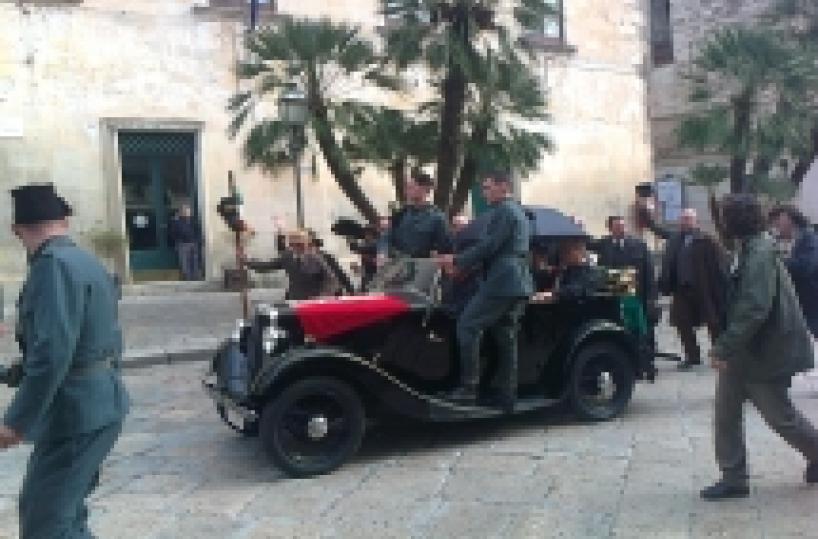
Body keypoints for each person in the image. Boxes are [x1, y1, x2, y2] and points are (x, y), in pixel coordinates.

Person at [0, 183, 130, 537]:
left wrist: (16, 422)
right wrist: (10, 373)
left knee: (47, 524)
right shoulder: (86, 261)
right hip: (97, 406)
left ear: (17, 231)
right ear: (65, 221)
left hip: (76, 414)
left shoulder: (52, 267)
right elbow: (91, 341)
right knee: (63, 516)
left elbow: (53, 354)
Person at [701, 194, 818, 500]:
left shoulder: (760, 252)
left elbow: (755, 307)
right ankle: (734, 478)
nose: (722, 222)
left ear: (736, 220)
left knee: (780, 417)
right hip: (746, 351)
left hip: (766, 351)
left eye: (725, 216)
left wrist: (722, 347)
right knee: (725, 414)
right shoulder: (748, 247)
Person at [438, 171, 533, 411]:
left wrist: (457, 260)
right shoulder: (517, 211)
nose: (484, 193)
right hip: (518, 281)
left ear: (503, 186)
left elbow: (489, 246)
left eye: (488, 187)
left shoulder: (504, 211)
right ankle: (506, 394)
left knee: (467, 325)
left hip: (502, 281)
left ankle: (468, 389)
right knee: (505, 336)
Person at [649, 208, 729, 370]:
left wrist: (720, 287)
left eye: (688, 219)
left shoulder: (707, 240)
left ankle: (719, 355)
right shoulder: (675, 239)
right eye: (683, 219)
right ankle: (692, 356)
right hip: (681, 289)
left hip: (704, 290)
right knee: (681, 321)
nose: (685, 222)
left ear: (695, 221)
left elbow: (720, 265)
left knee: (713, 323)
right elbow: (662, 237)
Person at [244, 229, 339, 301]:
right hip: (294, 299)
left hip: (314, 299)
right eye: (294, 244)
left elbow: (331, 280)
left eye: (300, 244)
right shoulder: (287, 256)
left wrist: (323, 296)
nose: (297, 247)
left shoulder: (317, 257)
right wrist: (247, 262)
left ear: (307, 243)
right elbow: (268, 265)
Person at [378, 169, 451, 261]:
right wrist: (382, 253)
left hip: (422, 266)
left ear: (424, 189)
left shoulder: (437, 218)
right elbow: (386, 237)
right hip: (397, 264)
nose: (407, 191)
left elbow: (445, 249)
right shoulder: (401, 214)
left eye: (411, 187)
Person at [768, 205, 818, 338]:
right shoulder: (788, 241)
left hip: (811, 305)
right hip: (801, 306)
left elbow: (805, 266)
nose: (775, 227)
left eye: (777, 221)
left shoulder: (808, 237)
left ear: (788, 219)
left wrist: (777, 263)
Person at [442, 214, 483, 315]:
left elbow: (475, 263)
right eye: (454, 226)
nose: (458, 229)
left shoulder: (475, 243)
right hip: (452, 289)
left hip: (470, 287)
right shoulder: (450, 242)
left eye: (462, 226)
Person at [168, 203, 201, 280]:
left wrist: (197, 240)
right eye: (185, 211)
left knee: (194, 261)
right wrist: (179, 239)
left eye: (188, 211)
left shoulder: (193, 220)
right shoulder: (176, 221)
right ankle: (187, 278)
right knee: (184, 263)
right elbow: (172, 233)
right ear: (181, 212)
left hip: (193, 243)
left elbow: (198, 230)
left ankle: (195, 278)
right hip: (182, 244)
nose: (187, 212)